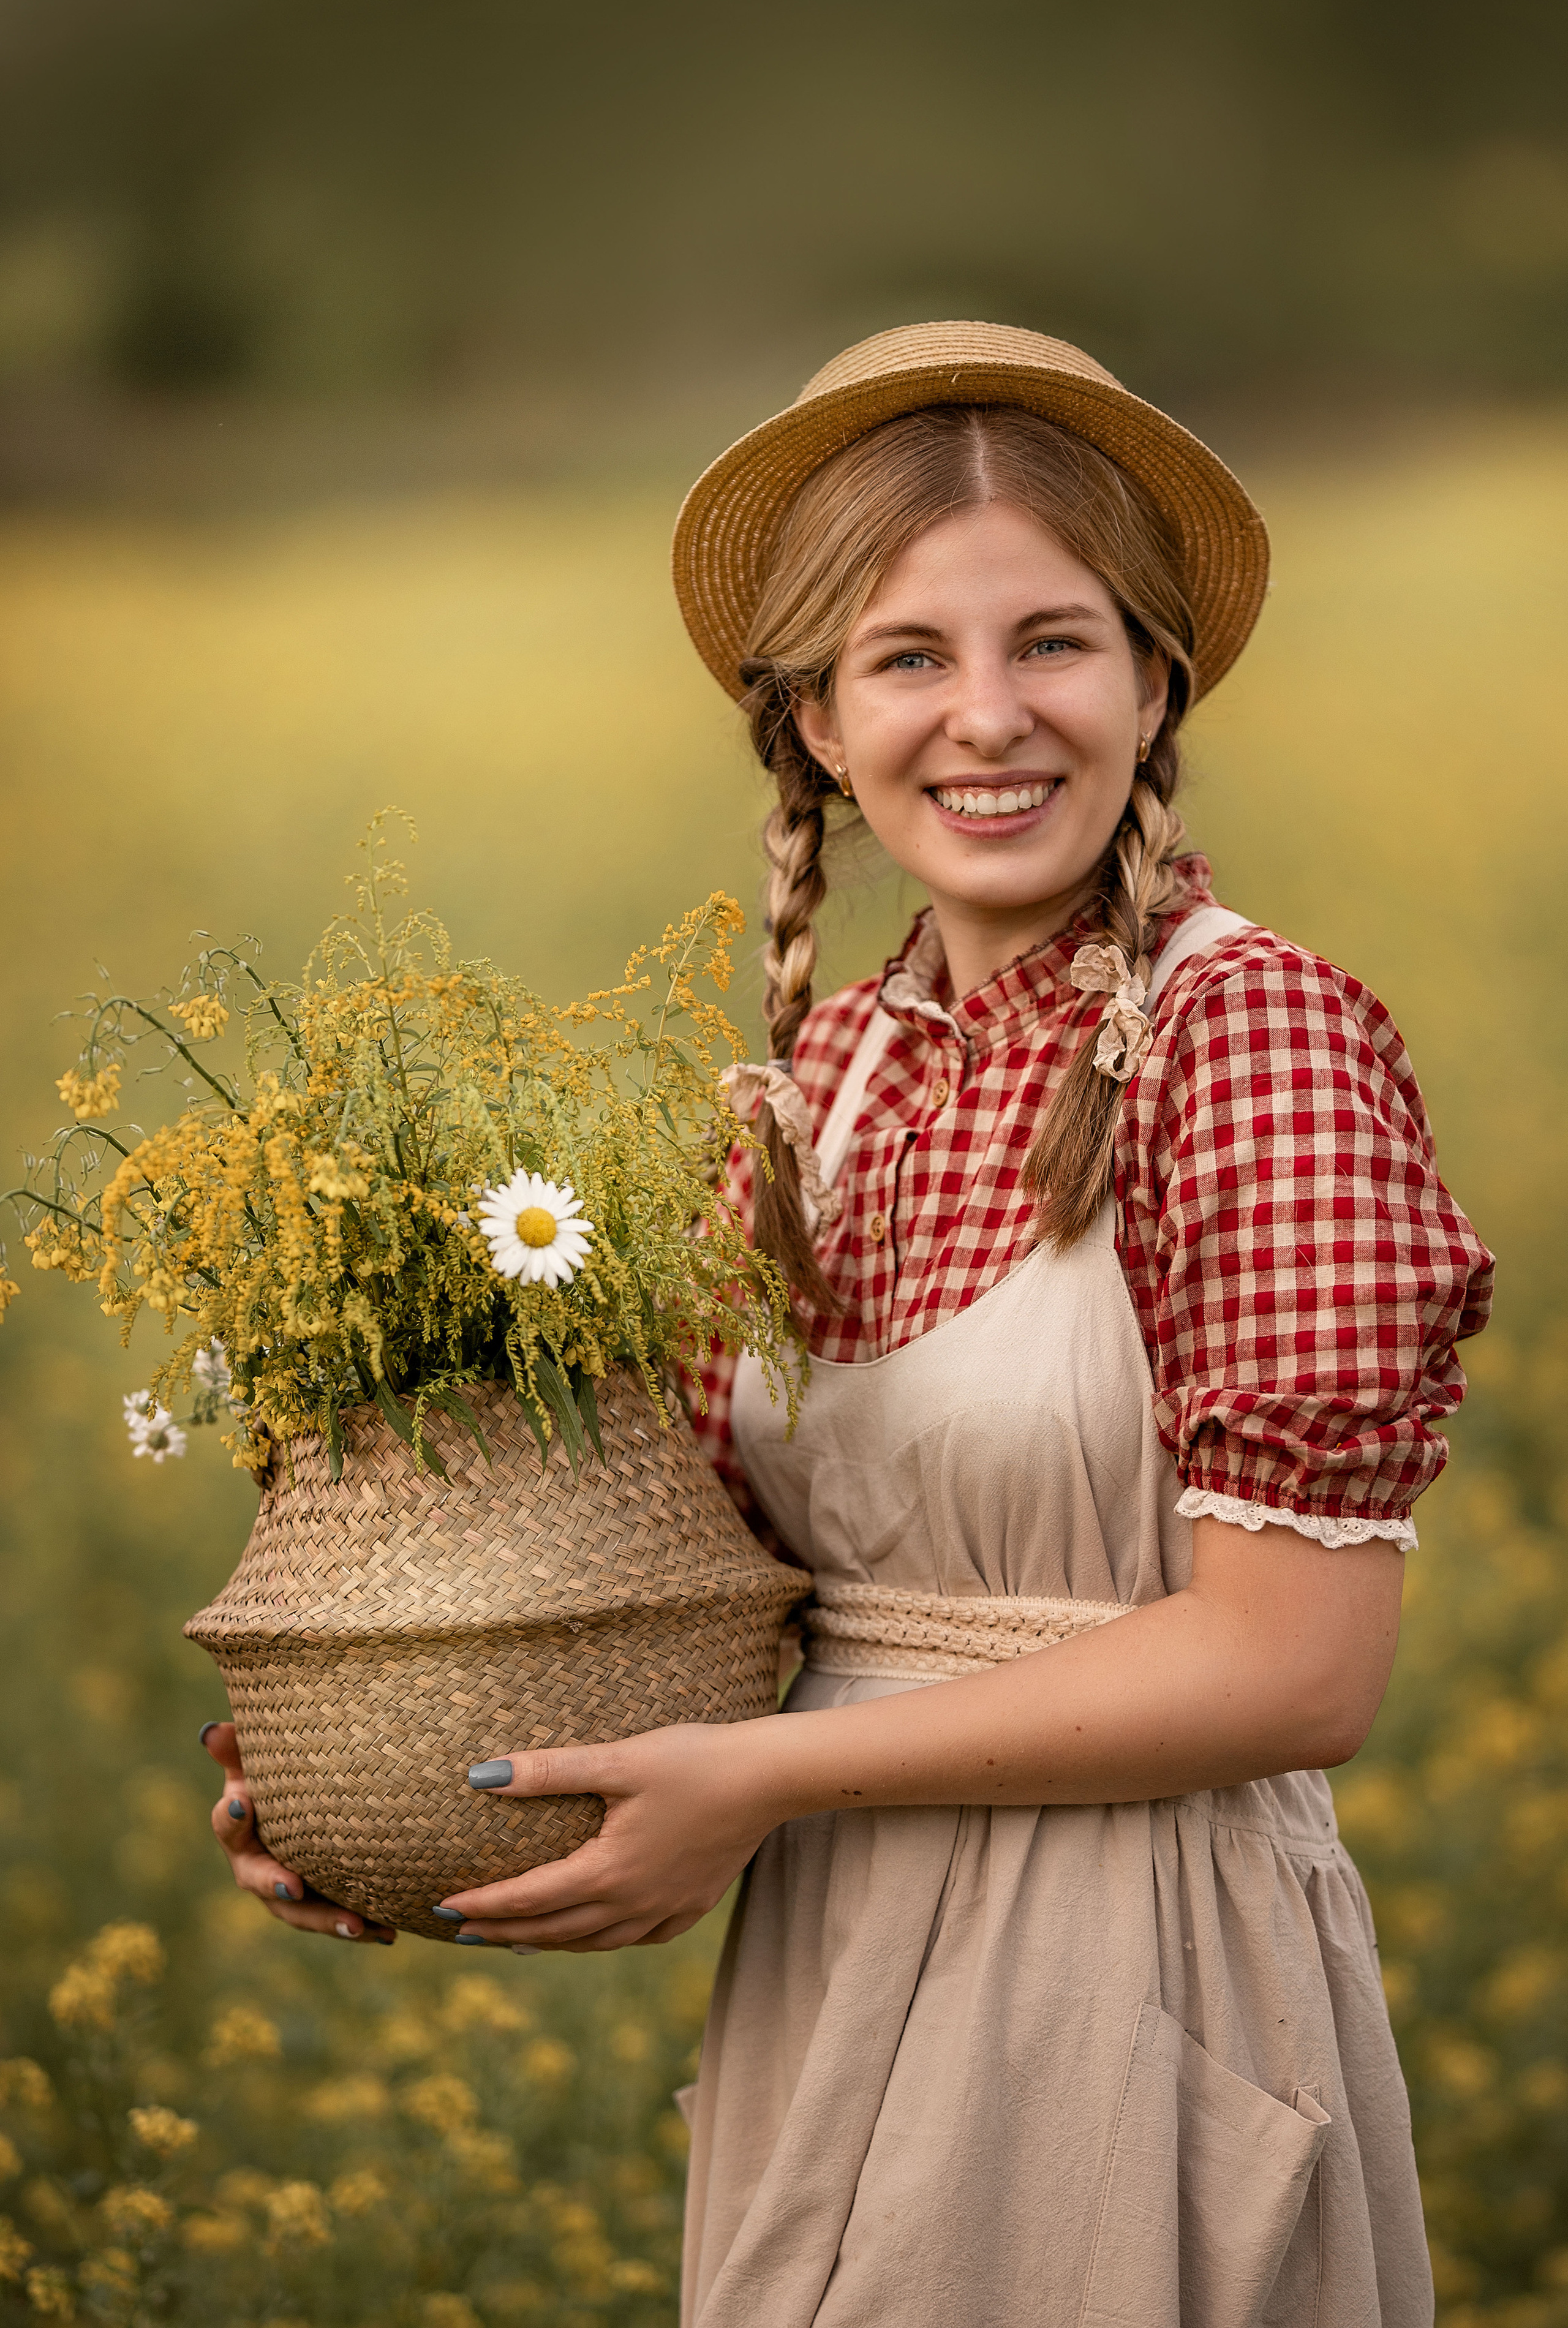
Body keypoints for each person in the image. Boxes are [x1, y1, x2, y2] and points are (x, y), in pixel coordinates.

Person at [206, 323, 1493, 2326]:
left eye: (1054, 644)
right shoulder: (821, 1087)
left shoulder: (1250, 1038)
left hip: (1134, 1970)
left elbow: (1298, 1670)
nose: (989, 719)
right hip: (834, 1972)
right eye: (907, 659)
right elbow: (708, 1609)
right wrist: (385, 1776)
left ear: (1156, 682)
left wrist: (768, 1783)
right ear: (809, 718)